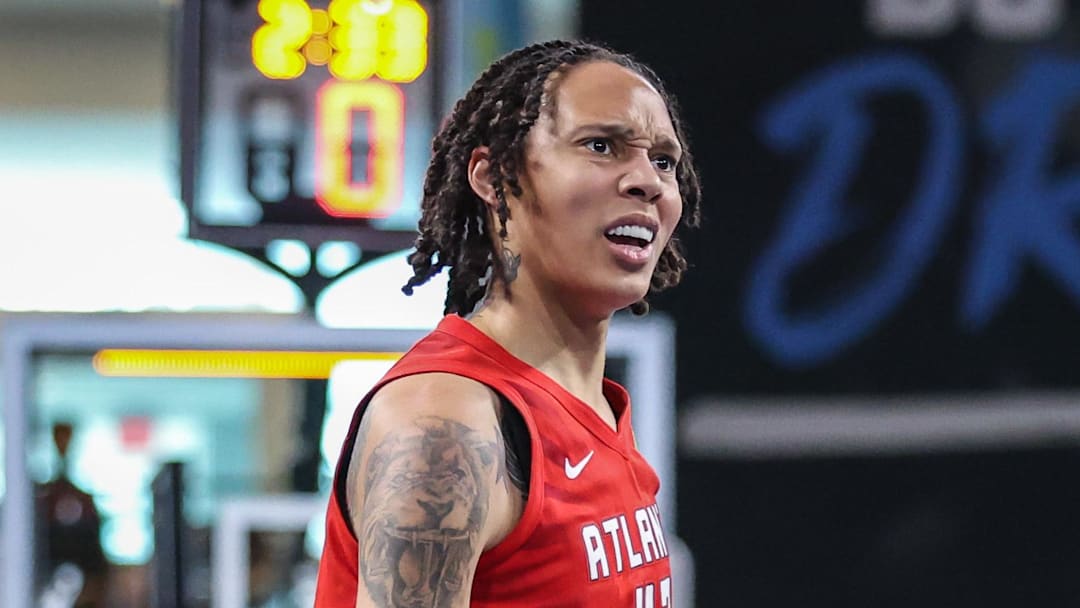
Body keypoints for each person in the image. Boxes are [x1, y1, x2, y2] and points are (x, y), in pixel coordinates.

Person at [315, 39, 701, 607]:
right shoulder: (444, 422)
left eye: (662, 160)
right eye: (601, 146)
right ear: (494, 178)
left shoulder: (593, 409)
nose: (647, 180)